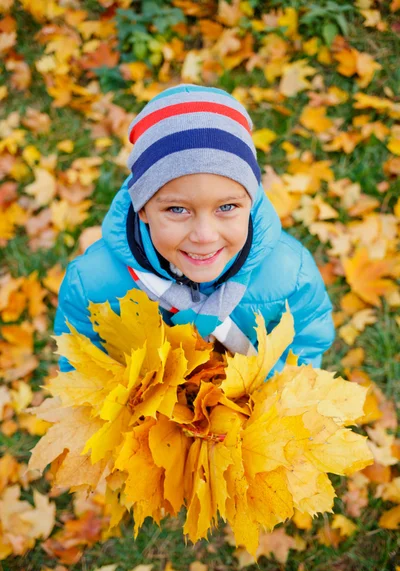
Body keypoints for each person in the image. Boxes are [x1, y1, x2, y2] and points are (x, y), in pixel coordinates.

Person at [55, 83, 335, 374]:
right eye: (177, 209)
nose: (204, 235)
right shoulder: (91, 283)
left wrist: (262, 400)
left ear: (249, 203)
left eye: (226, 208)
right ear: (142, 209)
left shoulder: (291, 274)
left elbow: (306, 346)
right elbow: (80, 365)